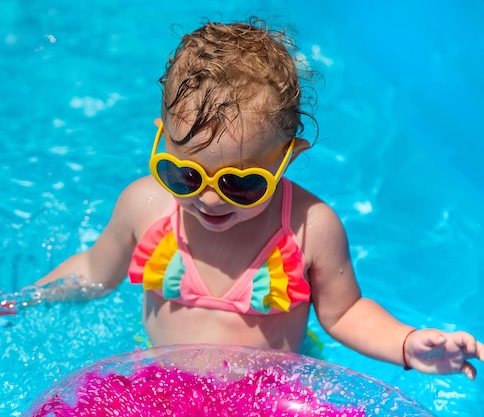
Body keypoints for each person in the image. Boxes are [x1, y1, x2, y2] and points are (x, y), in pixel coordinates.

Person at [29, 18, 483, 379]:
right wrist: (26, 299)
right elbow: (94, 271)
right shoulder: (144, 206)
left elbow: (345, 313)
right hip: (159, 379)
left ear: (288, 158)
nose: (207, 199)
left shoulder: (311, 227)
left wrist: (406, 344)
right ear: (161, 141)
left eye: (240, 184)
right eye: (183, 175)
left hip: (271, 391)